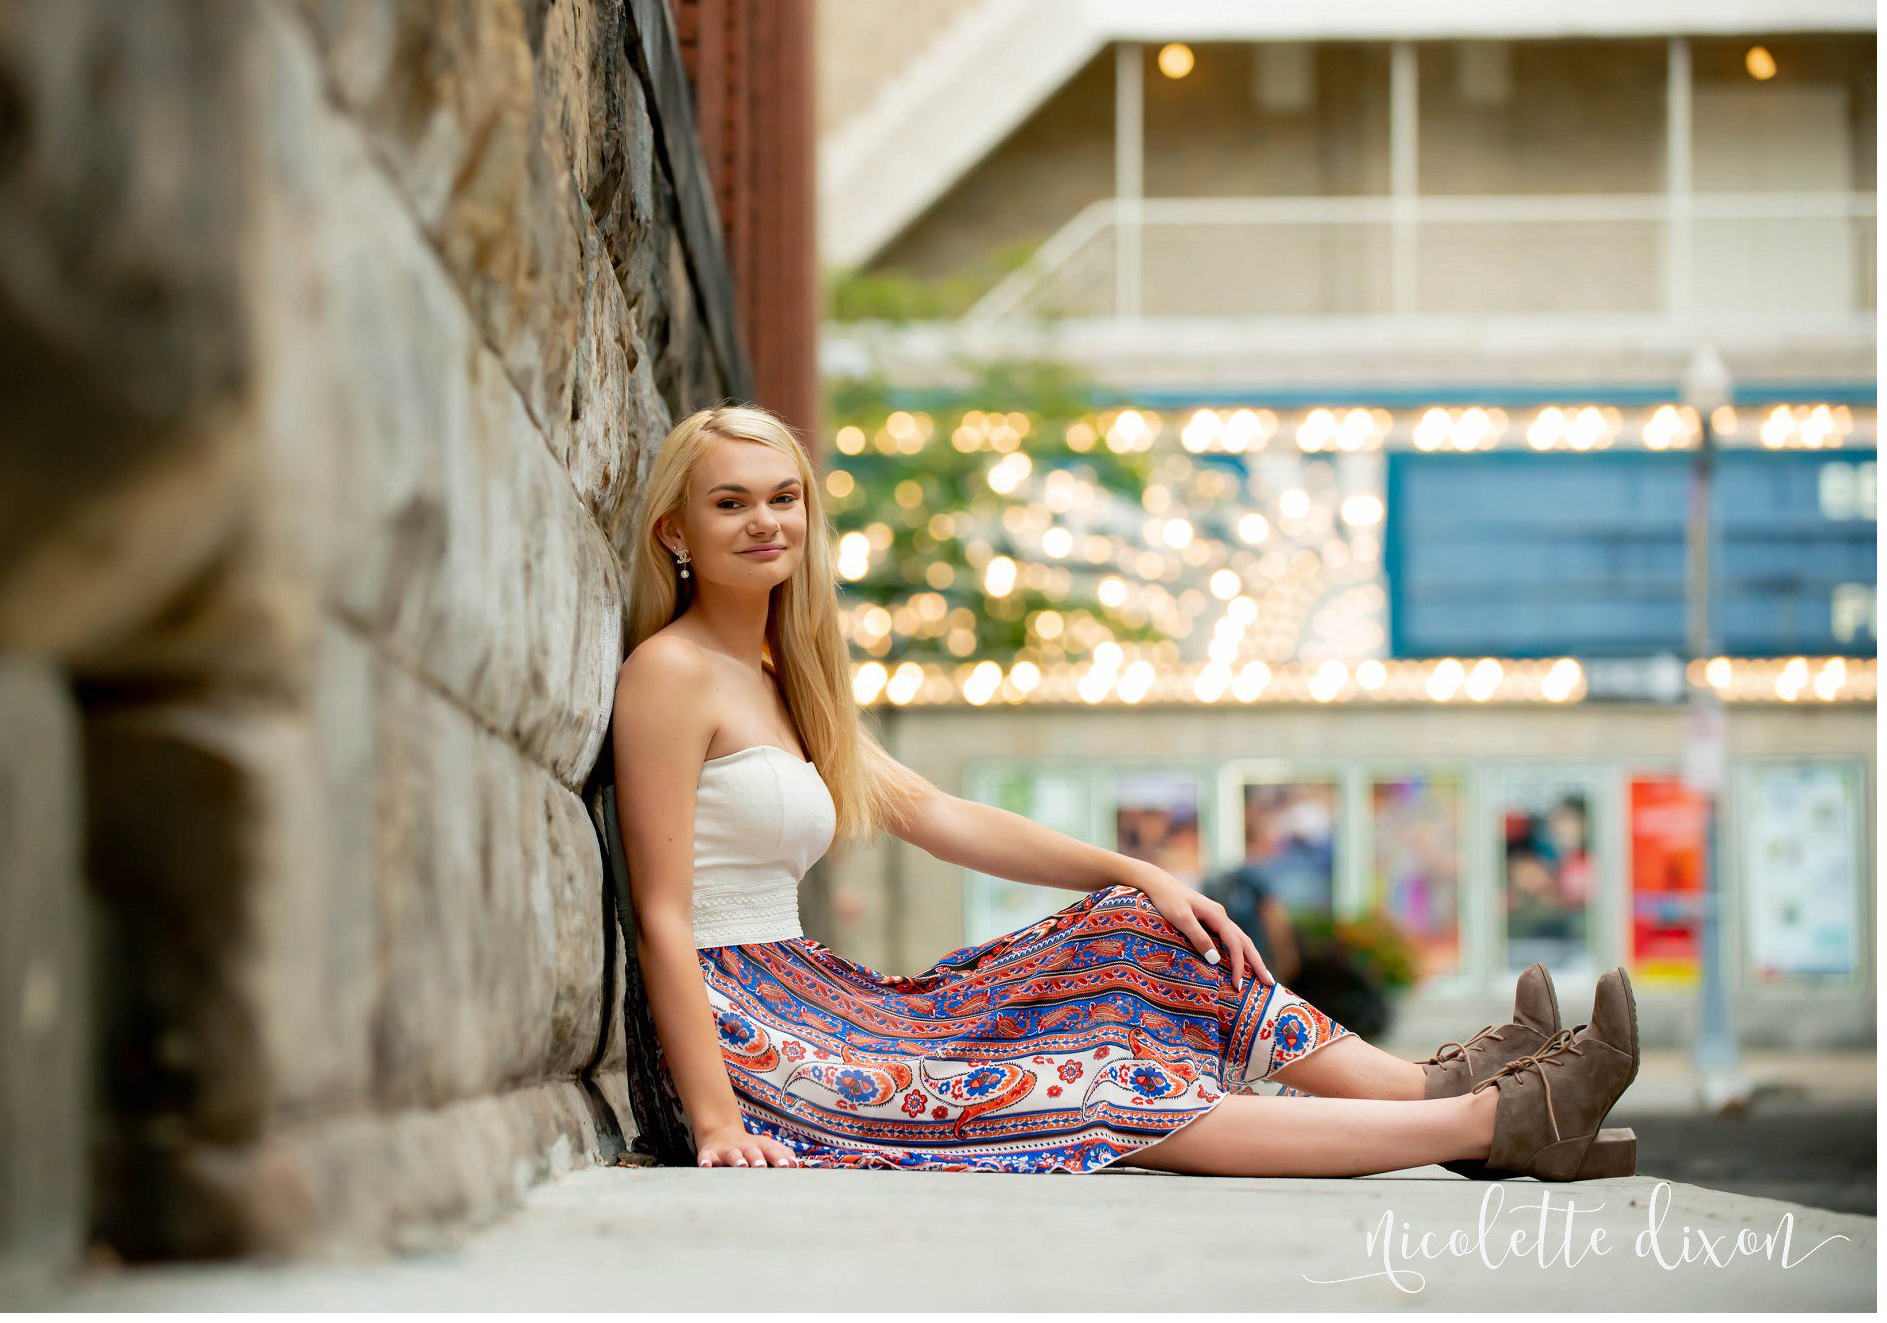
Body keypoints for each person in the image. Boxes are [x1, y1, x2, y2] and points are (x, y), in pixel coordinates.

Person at [611, 405, 1642, 1180]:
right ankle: (1485, 1123)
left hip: (825, 997)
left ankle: (1428, 1083)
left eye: (781, 495)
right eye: (730, 500)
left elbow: (936, 814)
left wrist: (1136, 869)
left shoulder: (786, 683)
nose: (764, 521)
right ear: (676, 529)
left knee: (1131, 927)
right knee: (1096, 1079)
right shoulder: (667, 672)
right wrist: (715, 1120)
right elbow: (660, 910)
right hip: (752, 1038)